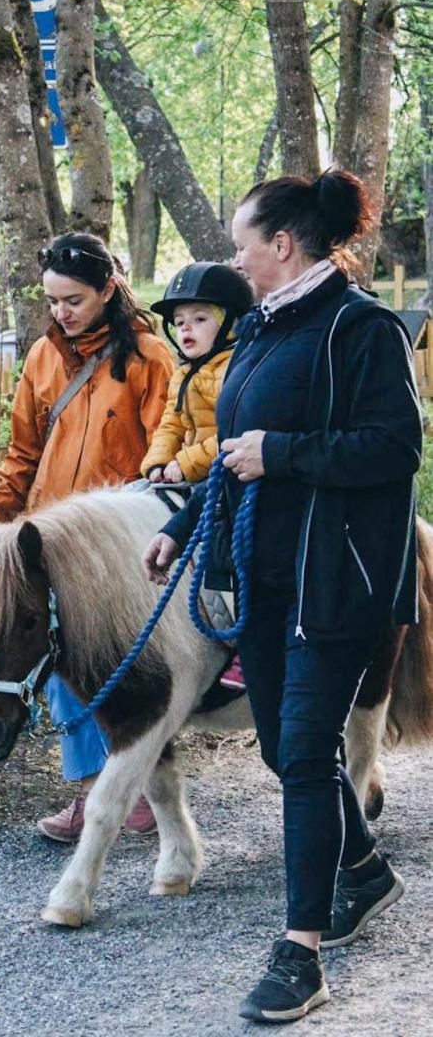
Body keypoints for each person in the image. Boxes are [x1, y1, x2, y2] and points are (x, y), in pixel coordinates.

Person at [142, 169, 422, 1023]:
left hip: (336, 581)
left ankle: (300, 954)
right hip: (262, 577)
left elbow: (395, 448)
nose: (234, 259)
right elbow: (236, 453)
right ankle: (363, 870)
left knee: (302, 753)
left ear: (283, 243)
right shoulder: (265, 328)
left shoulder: (361, 327)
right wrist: (182, 526)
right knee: (279, 748)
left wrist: (285, 453)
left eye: (241, 245)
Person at [0, 231, 175, 843]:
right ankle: (98, 793)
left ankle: (124, 791)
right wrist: (0, 522)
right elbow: (23, 449)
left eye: (74, 300)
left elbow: (162, 454)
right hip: (46, 537)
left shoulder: (149, 357)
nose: (61, 312)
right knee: (59, 663)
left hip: (114, 541)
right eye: (52, 301)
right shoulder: (43, 357)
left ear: (108, 290)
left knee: (112, 667)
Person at [141, 261, 252, 692]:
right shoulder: (184, 371)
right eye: (180, 321)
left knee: (227, 549)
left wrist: (184, 464)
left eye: (200, 319)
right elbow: (169, 423)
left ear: (231, 323)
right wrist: (156, 463)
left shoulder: (233, 368)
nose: (187, 329)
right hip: (186, 475)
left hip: (225, 474)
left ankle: (241, 643)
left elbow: (231, 433)